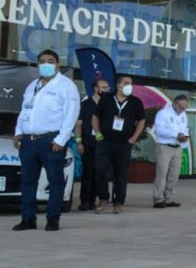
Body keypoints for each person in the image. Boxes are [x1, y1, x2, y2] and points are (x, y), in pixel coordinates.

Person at [12, 50, 80, 231]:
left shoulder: (66, 86)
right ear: (38, 65)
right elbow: (24, 111)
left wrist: (61, 140)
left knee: (55, 182)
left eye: (51, 61)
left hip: (50, 141)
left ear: (58, 65)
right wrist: (18, 132)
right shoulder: (32, 86)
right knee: (28, 182)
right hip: (28, 141)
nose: (46, 64)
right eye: (42, 61)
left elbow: (71, 115)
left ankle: (52, 219)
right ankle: (28, 219)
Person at [92, 74, 146, 214]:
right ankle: (103, 198)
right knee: (101, 170)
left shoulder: (136, 102)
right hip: (105, 142)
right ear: (118, 85)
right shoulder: (106, 99)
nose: (130, 86)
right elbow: (95, 116)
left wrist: (134, 138)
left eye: (131, 83)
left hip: (124, 143)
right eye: (127, 83)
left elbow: (141, 120)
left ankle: (119, 201)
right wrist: (98, 133)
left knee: (121, 174)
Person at [74, 77, 109, 211]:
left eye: (107, 88)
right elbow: (79, 125)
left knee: (100, 173)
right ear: (96, 89)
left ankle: (95, 199)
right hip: (88, 143)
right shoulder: (86, 104)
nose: (107, 90)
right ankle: (85, 201)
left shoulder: (108, 104)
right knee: (88, 173)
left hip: (104, 145)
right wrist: (79, 142)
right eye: (104, 87)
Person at [153, 94, 190, 208]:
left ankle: (168, 198)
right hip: (165, 147)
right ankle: (158, 199)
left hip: (177, 147)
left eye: (185, 108)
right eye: (181, 107)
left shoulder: (183, 114)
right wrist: (176, 135)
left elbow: (185, 129)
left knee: (174, 175)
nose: (182, 110)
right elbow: (158, 130)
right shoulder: (163, 113)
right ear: (174, 103)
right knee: (162, 174)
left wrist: (185, 138)